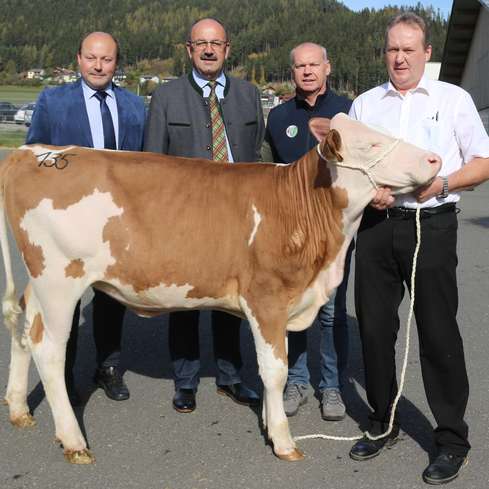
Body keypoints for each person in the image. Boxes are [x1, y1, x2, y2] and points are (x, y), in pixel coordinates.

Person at [348, 13, 489, 485]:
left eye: (410, 49)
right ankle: (383, 422)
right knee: (373, 328)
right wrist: (372, 192)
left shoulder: (453, 99)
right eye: (393, 49)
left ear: (427, 54)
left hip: (433, 225)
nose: (400, 57)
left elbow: (484, 162)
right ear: (384, 53)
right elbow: (350, 168)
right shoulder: (365, 105)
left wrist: (444, 182)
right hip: (376, 227)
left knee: (437, 333)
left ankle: (451, 440)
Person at [144, 18, 264, 413]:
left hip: (237, 219)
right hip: (185, 221)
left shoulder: (249, 95)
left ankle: (231, 377)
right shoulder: (166, 97)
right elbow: (152, 166)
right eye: (201, 44)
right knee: (185, 303)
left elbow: (258, 158)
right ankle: (185, 379)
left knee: (233, 302)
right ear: (189, 50)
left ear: (228, 49)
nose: (209, 50)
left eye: (216, 43)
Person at [26, 32, 146, 404]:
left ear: (116, 63)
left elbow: (144, 162)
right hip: (67, 220)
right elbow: (33, 154)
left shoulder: (135, 106)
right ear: (78, 59)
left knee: (112, 298)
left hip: (117, 223)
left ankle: (108, 368)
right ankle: (63, 375)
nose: (98, 66)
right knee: (65, 301)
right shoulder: (53, 101)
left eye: (106, 59)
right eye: (92, 58)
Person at [263, 42, 353, 421]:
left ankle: (332, 386)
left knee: (331, 313)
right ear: (293, 71)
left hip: (333, 232)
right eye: (299, 66)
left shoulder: (348, 112)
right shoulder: (279, 115)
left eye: (313, 64)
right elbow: (264, 172)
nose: (307, 71)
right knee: (294, 310)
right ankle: (298, 380)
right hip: (290, 233)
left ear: (327, 67)